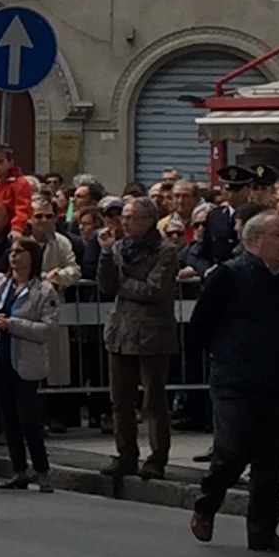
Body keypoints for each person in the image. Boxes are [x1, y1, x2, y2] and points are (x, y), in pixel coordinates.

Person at [187, 211, 279, 554]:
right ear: (255, 241)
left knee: (270, 463)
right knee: (232, 451)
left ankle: (263, 531)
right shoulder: (229, 275)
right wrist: (225, 355)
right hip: (236, 380)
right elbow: (201, 326)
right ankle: (206, 503)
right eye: (278, 236)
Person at [97, 195, 188, 481]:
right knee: (120, 400)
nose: (124, 222)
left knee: (154, 400)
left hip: (152, 334)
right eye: (123, 217)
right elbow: (105, 285)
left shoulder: (165, 251)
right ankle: (126, 454)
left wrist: (123, 282)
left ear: (148, 221)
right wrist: (105, 255)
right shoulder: (120, 247)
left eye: (130, 217)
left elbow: (155, 290)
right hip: (121, 331)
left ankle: (157, 457)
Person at [0, 233, 60, 492]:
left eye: (20, 251)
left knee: (28, 418)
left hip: (25, 362)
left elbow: (48, 328)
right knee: (7, 417)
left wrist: (12, 324)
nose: (14, 255)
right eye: (12, 251)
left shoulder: (44, 290)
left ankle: (42, 471)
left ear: (32, 257)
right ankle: (19, 469)